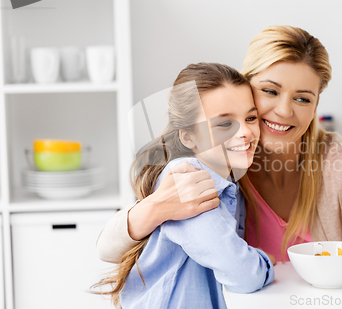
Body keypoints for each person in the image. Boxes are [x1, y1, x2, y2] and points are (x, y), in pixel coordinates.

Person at [96, 25, 342, 268]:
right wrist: (152, 210)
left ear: (316, 105)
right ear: (243, 85)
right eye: (269, 91)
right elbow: (108, 251)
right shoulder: (214, 158)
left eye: (302, 98)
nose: (284, 111)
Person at [94, 63, 274, 309]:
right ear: (188, 137)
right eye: (224, 124)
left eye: (250, 118)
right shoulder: (188, 177)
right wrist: (265, 262)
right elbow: (243, 274)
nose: (245, 132)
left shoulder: (229, 181)